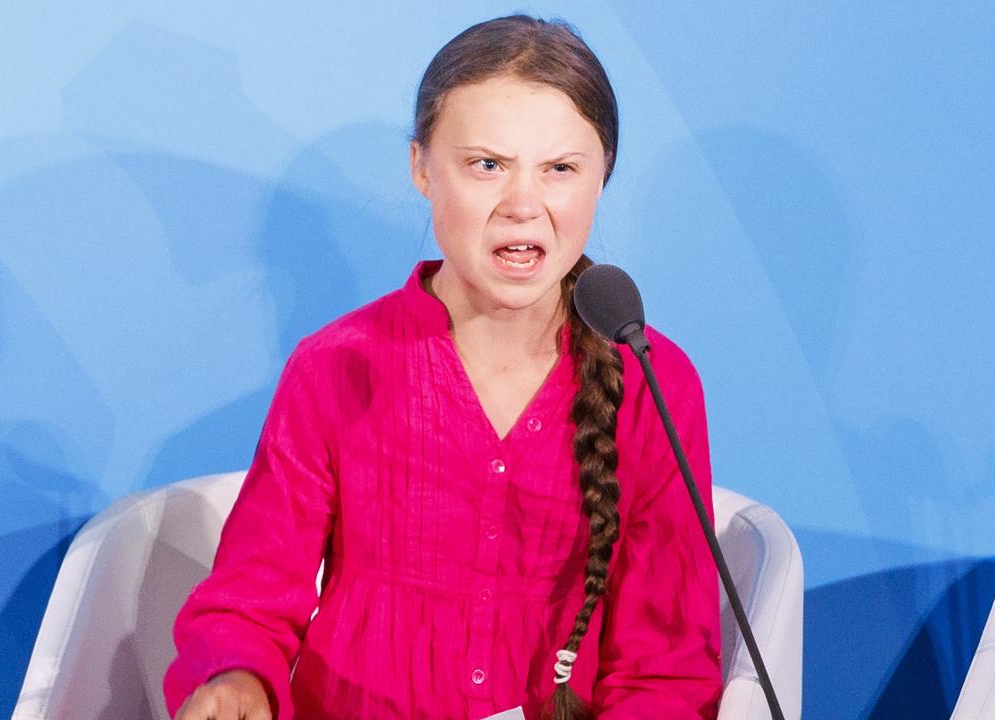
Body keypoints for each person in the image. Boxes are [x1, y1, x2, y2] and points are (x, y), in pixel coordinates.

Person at [165, 14, 722, 720]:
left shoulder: (654, 381)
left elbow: (665, 667)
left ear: (602, 176)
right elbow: (249, 599)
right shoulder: (335, 367)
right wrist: (236, 679)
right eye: (486, 165)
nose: (523, 206)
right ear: (422, 168)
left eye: (559, 169)